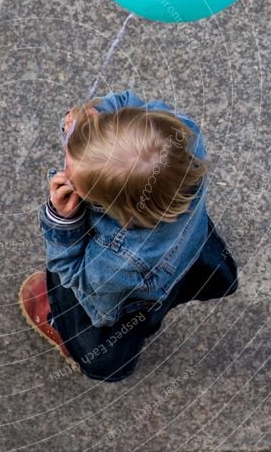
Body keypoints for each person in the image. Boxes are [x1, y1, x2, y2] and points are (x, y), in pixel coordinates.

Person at [18, 89, 239, 382]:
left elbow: (77, 275)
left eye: (72, 179)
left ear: (113, 209)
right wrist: (101, 114)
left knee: (104, 340)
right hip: (188, 248)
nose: (62, 175)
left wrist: (63, 222)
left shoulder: (119, 259)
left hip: (130, 293)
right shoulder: (184, 139)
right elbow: (134, 106)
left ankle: (63, 324)